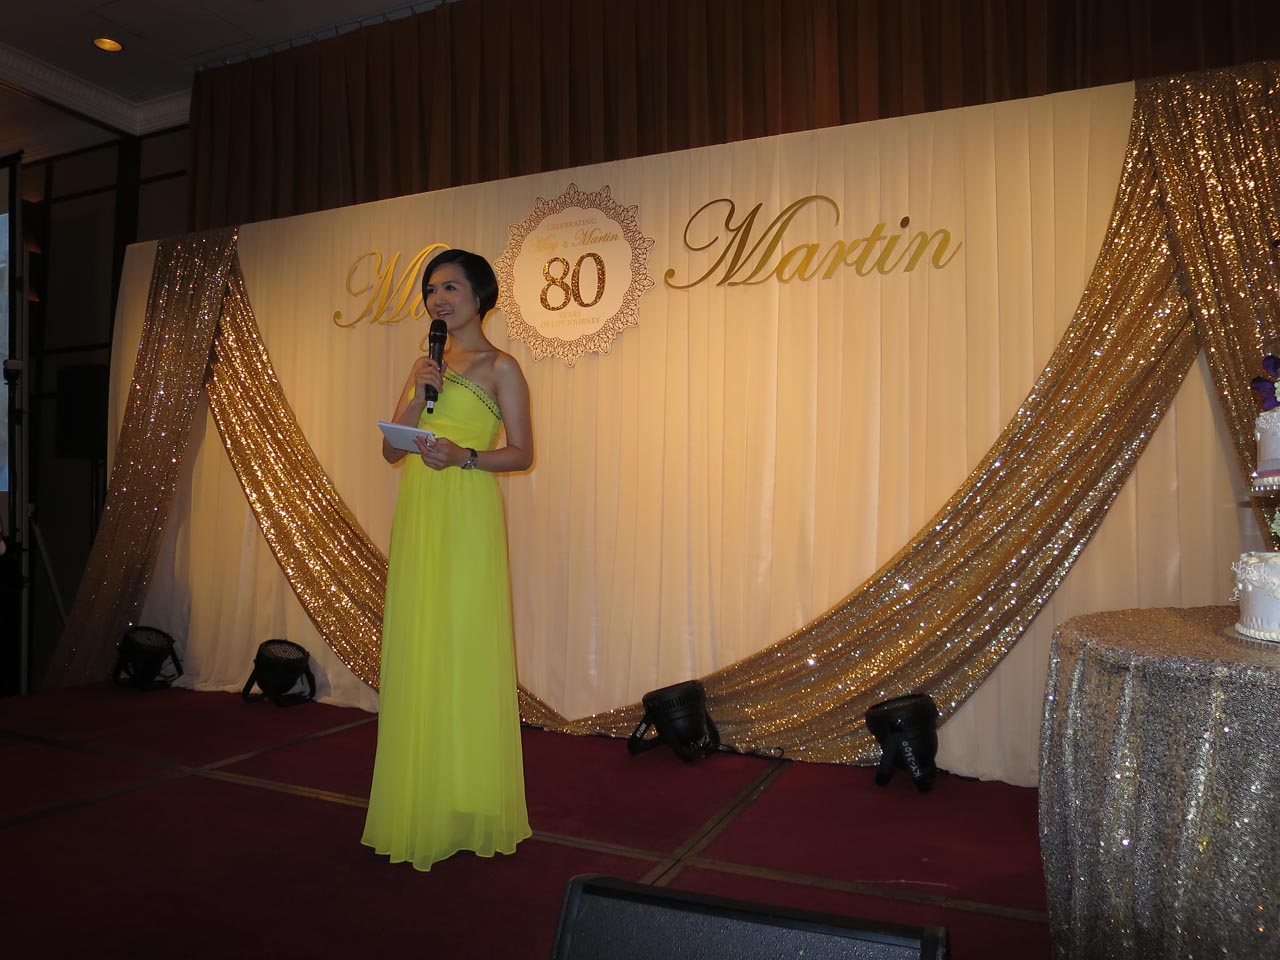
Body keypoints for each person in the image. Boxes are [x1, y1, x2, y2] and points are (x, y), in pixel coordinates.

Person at [362, 248, 534, 870]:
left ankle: (469, 798)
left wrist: (465, 457)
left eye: (451, 287)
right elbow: (392, 451)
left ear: (480, 295)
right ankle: (422, 793)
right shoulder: (424, 366)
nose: (439, 299)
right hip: (420, 512)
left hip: (466, 512)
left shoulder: (501, 366)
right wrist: (416, 395)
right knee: (422, 643)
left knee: (464, 644)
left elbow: (522, 453)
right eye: (432, 289)